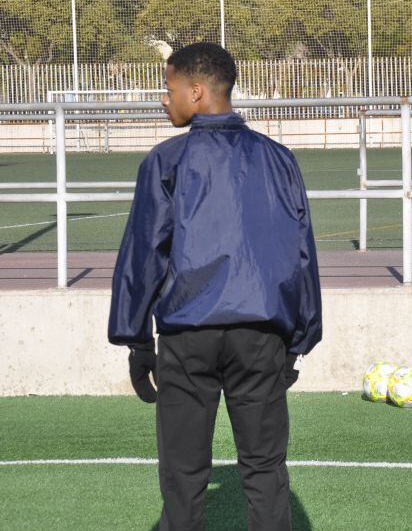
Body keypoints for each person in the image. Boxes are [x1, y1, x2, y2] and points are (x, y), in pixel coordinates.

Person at [108, 42, 322, 530]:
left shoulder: (166, 160)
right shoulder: (279, 159)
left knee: (183, 477)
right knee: (266, 471)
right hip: (262, 335)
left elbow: (144, 254)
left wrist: (137, 339)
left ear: (197, 91)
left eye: (169, 89)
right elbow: (300, 252)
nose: (164, 99)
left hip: (188, 338)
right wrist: (299, 341)